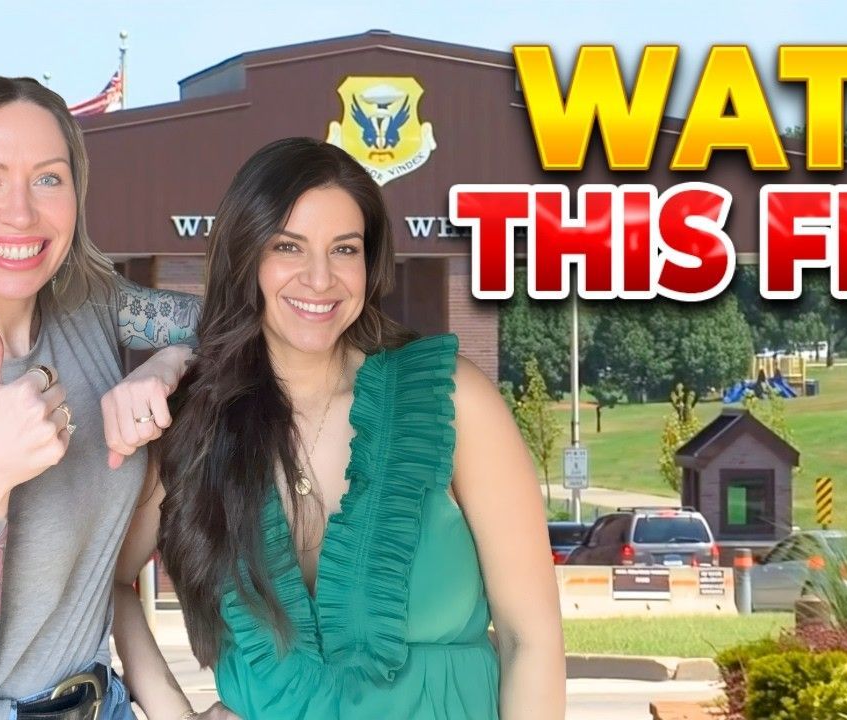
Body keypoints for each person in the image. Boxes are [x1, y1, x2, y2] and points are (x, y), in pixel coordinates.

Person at [113, 137, 566, 719]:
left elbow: (532, 641)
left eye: (344, 249)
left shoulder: (450, 400)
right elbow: (110, 582)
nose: (320, 278)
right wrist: (173, 711)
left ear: (369, 261)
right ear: (245, 257)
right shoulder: (194, 424)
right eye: (288, 247)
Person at [0, 76, 200, 719]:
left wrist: (168, 364)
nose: (21, 213)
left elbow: (246, 321)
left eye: (49, 178)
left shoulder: (92, 310)